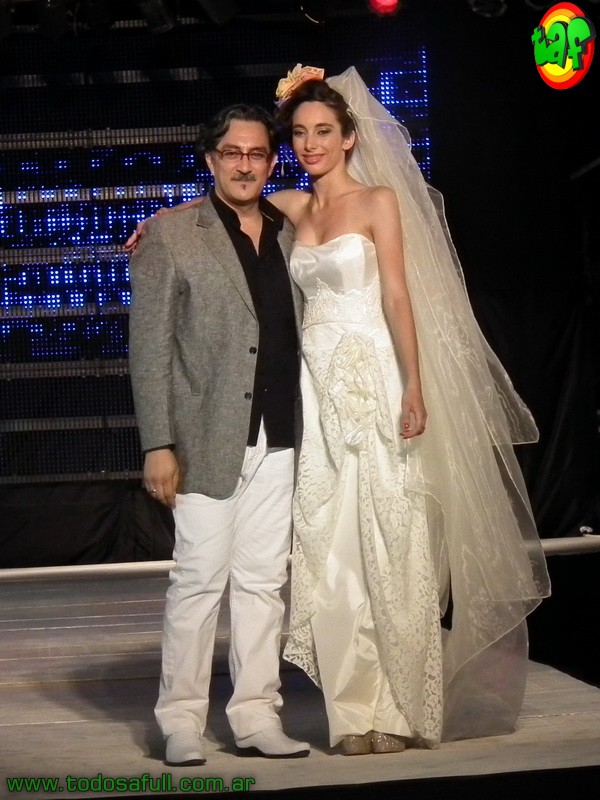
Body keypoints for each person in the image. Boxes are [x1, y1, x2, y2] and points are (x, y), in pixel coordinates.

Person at [126, 66, 551, 756]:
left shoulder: (332, 210)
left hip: (334, 406)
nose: (257, 160)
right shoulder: (242, 220)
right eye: (296, 134)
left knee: (305, 569)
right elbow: (162, 322)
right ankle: (207, 719)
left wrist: (412, 386)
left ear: (347, 138)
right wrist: (161, 225)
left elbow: (397, 296)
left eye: (317, 132)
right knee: (243, 573)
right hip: (264, 420)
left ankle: (284, 713)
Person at [127, 102, 310, 767]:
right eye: (232, 152)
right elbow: (149, 347)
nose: (244, 164)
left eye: (257, 153)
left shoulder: (291, 232)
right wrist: (157, 443)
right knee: (199, 581)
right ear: (211, 159)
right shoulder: (172, 234)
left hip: (281, 433)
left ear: (271, 161)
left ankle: (257, 715)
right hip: (203, 436)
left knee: (262, 583)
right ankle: (180, 720)